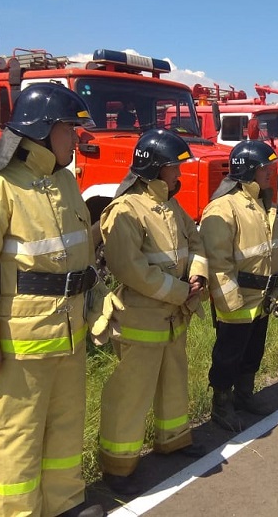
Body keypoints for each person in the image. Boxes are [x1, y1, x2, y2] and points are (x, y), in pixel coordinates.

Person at [0, 83, 105, 517]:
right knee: (17, 435)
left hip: (69, 337)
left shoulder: (66, 183)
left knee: (65, 427)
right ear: (41, 130)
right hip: (21, 343)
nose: (76, 138)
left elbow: (82, 259)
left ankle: (63, 504)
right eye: (70, 129)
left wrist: (95, 309)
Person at [95, 129, 209, 495]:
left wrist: (198, 274)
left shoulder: (170, 205)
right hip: (143, 317)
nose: (180, 173)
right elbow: (131, 269)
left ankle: (173, 441)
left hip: (174, 316)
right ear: (156, 169)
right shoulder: (125, 210)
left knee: (173, 380)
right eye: (175, 167)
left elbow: (196, 241)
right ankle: (118, 468)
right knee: (132, 392)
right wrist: (180, 292)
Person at [200, 140, 278, 433]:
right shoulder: (224, 207)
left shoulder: (260, 203)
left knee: (253, 350)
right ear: (248, 171)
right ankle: (222, 404)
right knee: (228, 355)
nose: (270, 172)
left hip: (261, 298)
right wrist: (229, 301)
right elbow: (217, 261)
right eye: (265, 168)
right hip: (237, 299)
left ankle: (244, 396)